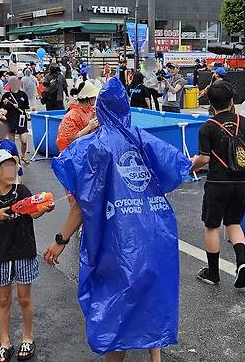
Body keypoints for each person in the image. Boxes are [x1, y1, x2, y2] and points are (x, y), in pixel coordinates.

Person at [44, 78, 191, 361]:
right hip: (155, 232)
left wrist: (61, 240)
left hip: (117, 241)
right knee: (151, 293)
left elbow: (82, 202)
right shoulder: (141, 138)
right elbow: (177, 166)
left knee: (116, 307)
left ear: (99, 109)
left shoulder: (95, 146)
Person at [0, 150, 53, 362]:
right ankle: (4, 342)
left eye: (11, 166)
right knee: (4, 299)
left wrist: (44, 208)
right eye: (5, 167)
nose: (10, 170)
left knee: (24, 298)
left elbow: (33, 212)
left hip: (24, 250)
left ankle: (28, 337)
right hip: (0, 254)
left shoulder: (22, 190)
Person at [190, 82, 245, 287]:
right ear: (231, 101)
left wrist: (189, 168)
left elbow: (203, 159)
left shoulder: (208, 127)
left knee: (212, 226)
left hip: (218, 182)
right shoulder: (243, 122)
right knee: (234, 223)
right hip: (242, 181)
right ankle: (242, 263)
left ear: (210, 103)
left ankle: (213, 273)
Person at [56, 81, 99, 153]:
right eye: (94, 96)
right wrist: (89, 127)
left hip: (87, 150)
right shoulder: (71, 116)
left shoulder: (91, 110)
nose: (95, 98)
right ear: (88, 98)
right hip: (74, 154)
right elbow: (70, 139)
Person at [0, 77, 29, 162]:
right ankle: (13, 157)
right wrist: (4, 111)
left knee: (24, 141)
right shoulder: (6, 96)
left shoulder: (23, 94)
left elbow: (27, 106)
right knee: (11, 141)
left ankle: (23, 155)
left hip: (21, 119)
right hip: (10, 119)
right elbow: (1, 106)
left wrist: (19, 106)